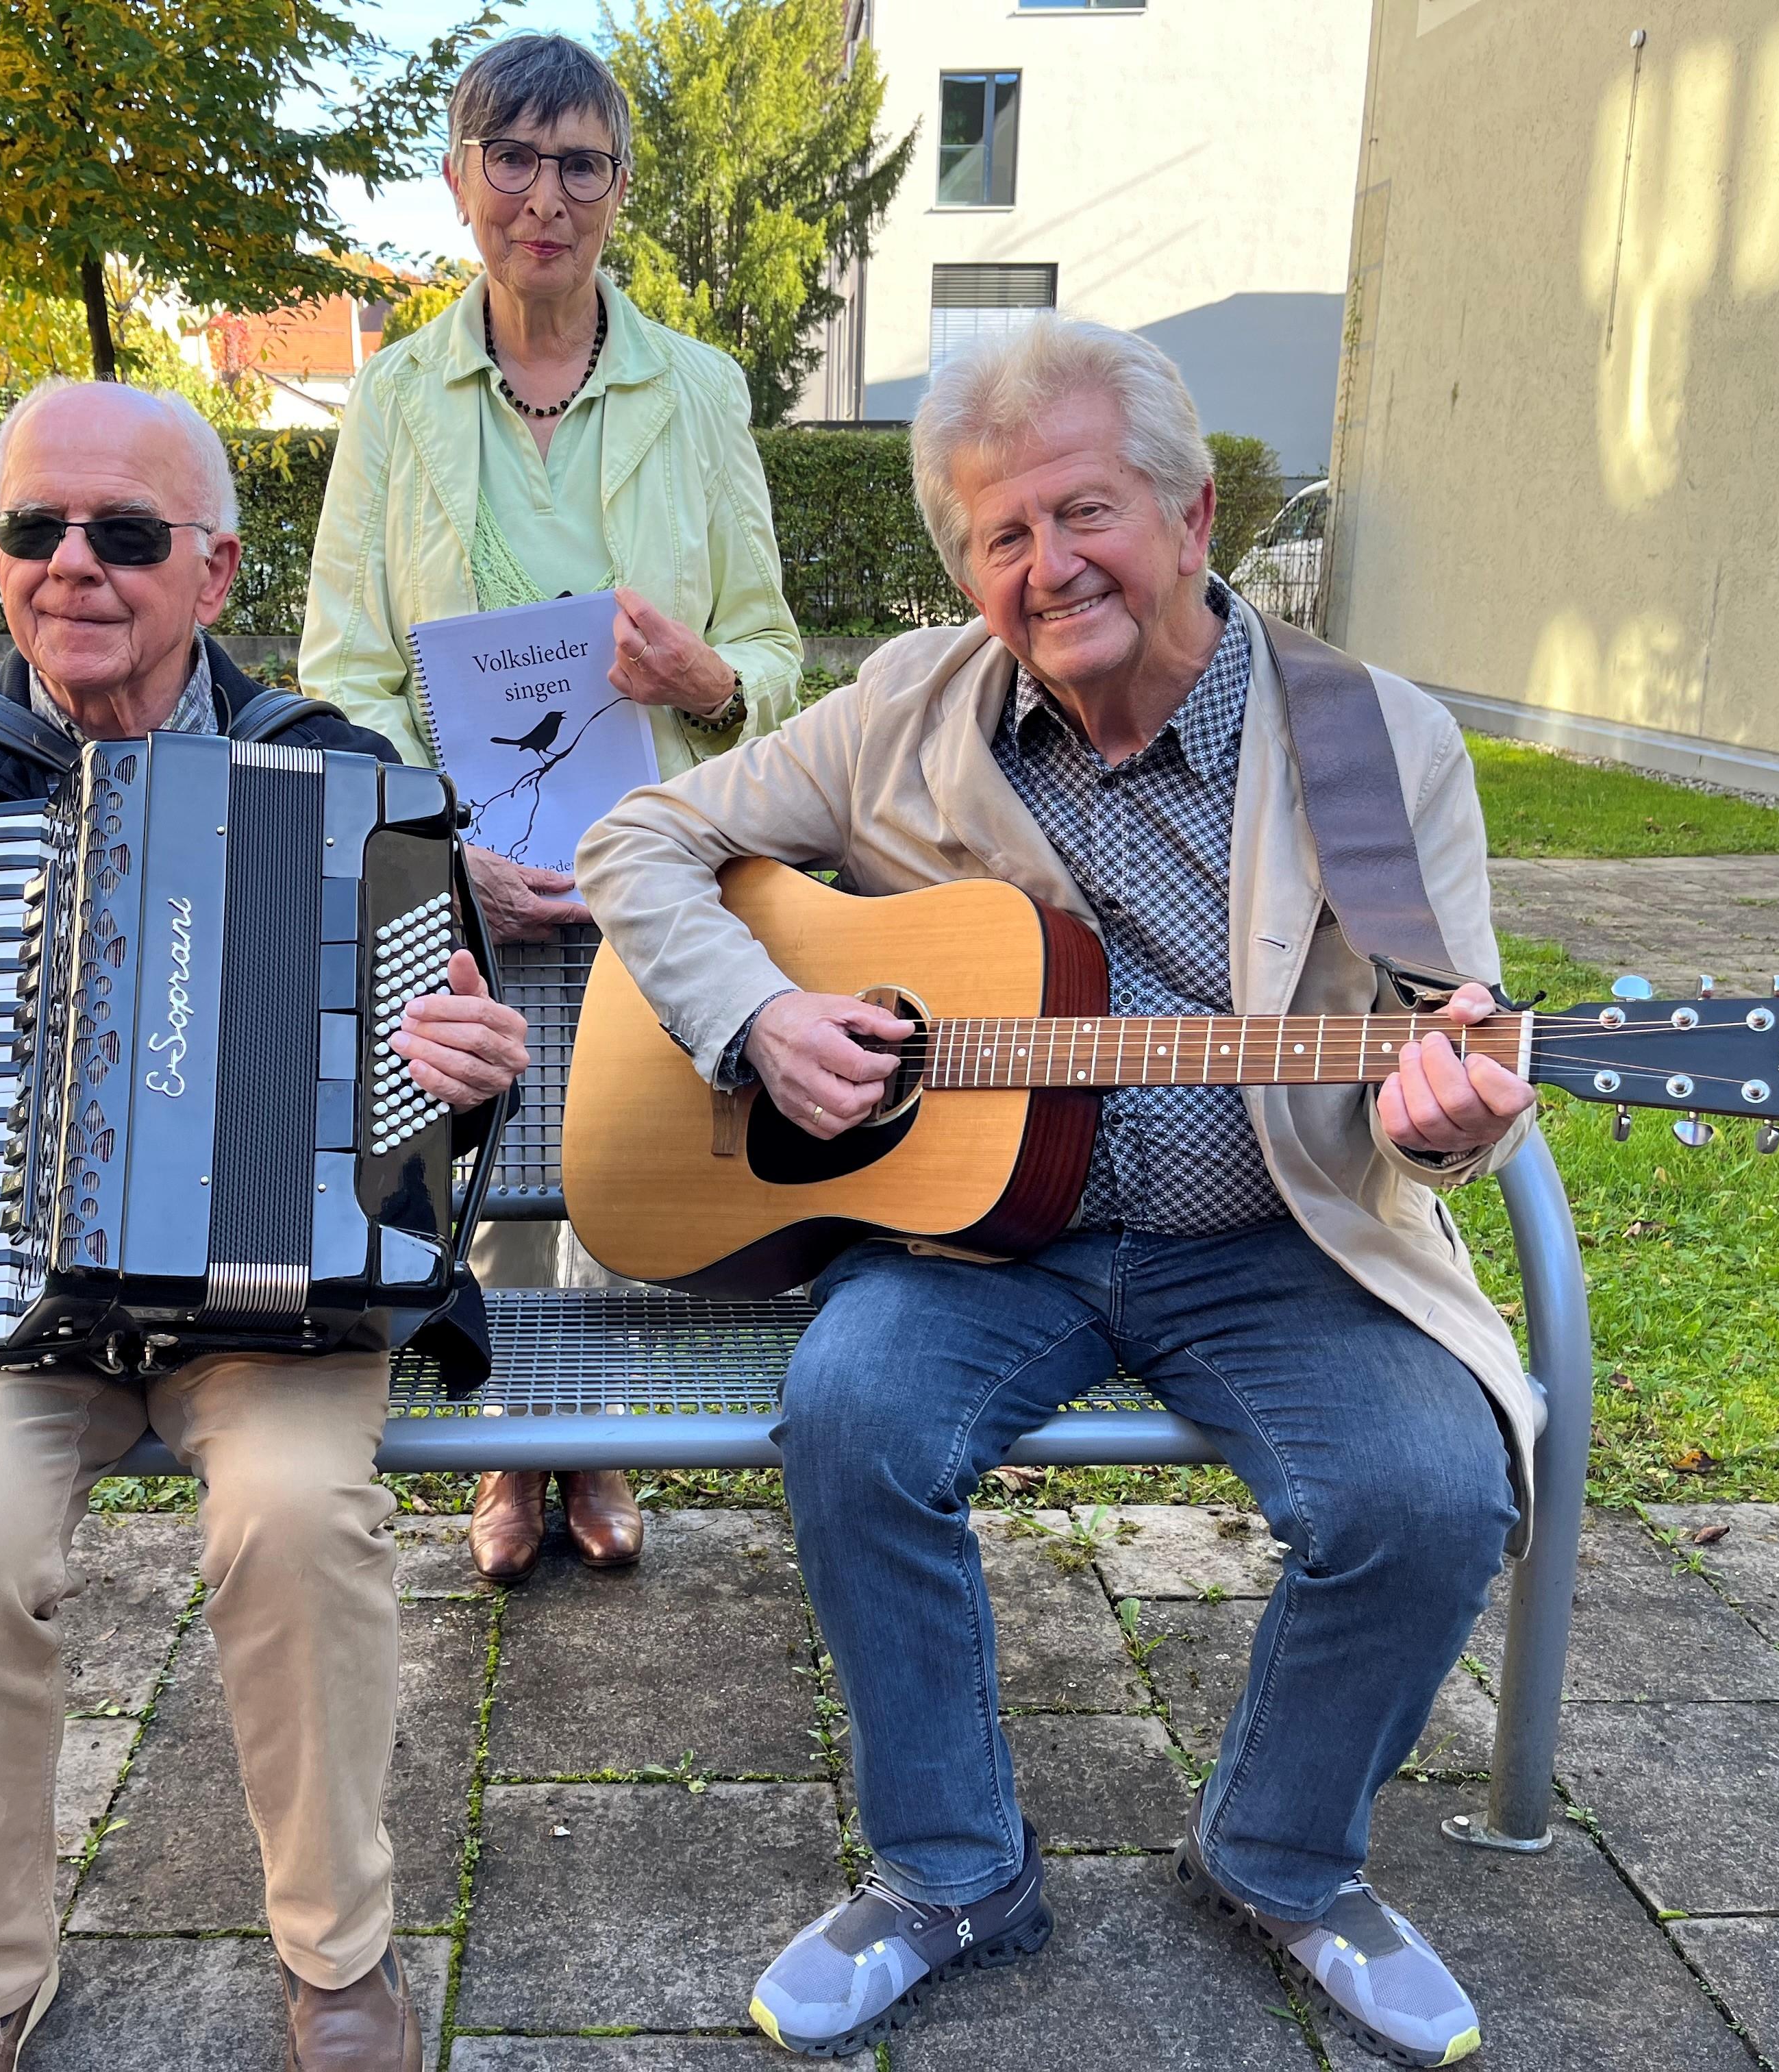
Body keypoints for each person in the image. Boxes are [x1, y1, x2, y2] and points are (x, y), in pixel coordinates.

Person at [576, 317, 1538, 2067]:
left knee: (1429, 1485)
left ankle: (1285, 1854)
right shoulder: (903, 709)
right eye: (999, 537)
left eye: (1082, 512)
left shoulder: (1373, 745)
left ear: (1191, 515)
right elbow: (636, 840)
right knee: (851, 1407)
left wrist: (1445, 1114)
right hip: (977, 1243)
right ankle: (949, 1872)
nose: (1047, 567)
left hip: (1274, 1239)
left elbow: (1435, 1075)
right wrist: (760, 1013)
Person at [0, 380, 530, 2072]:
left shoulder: (339, 773)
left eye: (126, 534)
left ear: (214, 572)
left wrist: (466, 1072)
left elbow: (444, 1096)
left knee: (301, 1518)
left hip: (271, 1306)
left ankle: (342, 1961)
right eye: (33, 529)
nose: (72, 566)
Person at [301, 31, 807, 1585]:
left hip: (655, 871)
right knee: (495, 1162)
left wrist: (709, 678)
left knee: (620, 1158)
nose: (545, 196)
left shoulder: (701, 391)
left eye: (579, 162)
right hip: (479, 870)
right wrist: (452, 845)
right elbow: (345, 666)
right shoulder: (392, 400)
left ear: (619, 189)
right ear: (460, 182)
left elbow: (780, 662)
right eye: (510, 159)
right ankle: (515, 1450)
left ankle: (590, 1432)